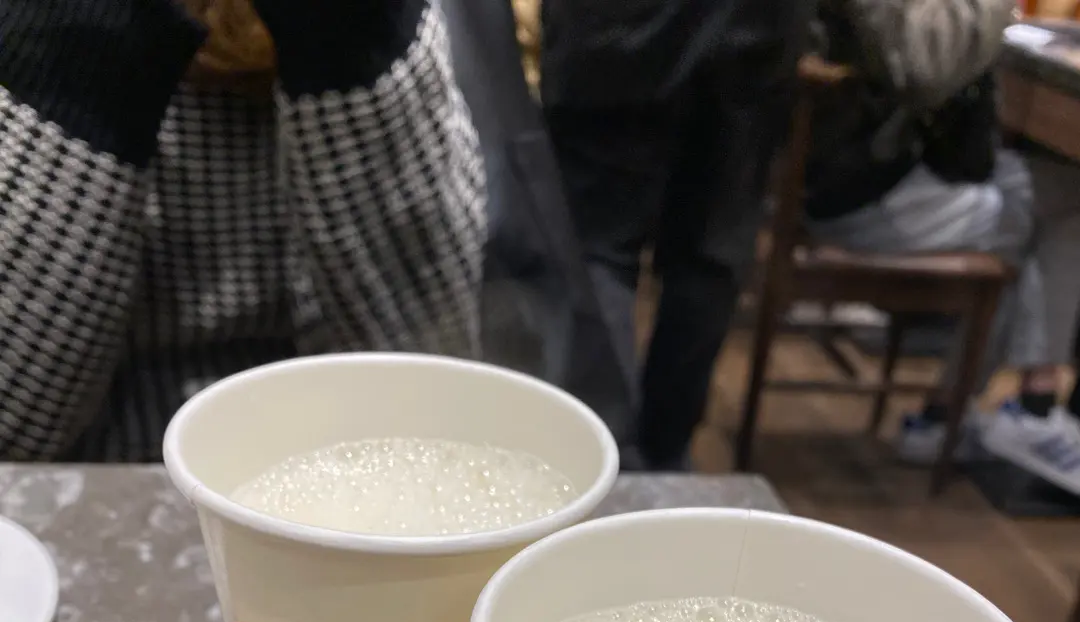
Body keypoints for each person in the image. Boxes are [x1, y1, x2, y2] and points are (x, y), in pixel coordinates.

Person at [0, 0, 486, 462]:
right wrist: (78, 38)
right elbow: (12, 432)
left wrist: (355, 29)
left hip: (348, 463)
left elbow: (431, 376)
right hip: (102, 475)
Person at [806, 0, 1080, 492]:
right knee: (1040, 213)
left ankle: (950, 415)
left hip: (868, 173)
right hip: (860, 192)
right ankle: (1028, 408)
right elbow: (925, 67)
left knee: (1048, 197)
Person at [541, 0, 810, 471]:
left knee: (600, 249)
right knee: (710, 256)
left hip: (611, 31)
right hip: (755, 24)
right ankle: (664, 459)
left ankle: (608, 456)